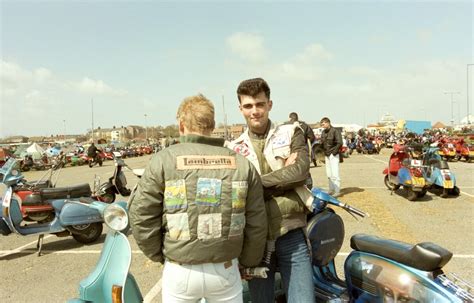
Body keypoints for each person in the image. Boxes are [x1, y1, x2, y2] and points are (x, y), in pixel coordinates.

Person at [129, 94, 267, 303]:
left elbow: (142, 216)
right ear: (212, 125)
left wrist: (161, 254)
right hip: (226, 268)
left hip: (180, 270)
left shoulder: (163, 160)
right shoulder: (241, 164)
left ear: (181, 125)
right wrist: (247, 261)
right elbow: (257, 223)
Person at [227, 78, 315, 303]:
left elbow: (300, 172)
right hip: (254, 241)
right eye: (248, 106)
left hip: (292, 235)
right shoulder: (233, 148)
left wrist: (254, 184)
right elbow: (235, 191)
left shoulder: (291, 132)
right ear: (241, 109)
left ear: (269, 104)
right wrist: (284, 178)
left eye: (260, 104)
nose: (254, 111)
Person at [288, 112, 316, 188]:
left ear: (289, 118)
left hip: (289, 152)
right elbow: (312, 137)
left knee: (290, 170)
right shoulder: (305, 125)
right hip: (302, 150)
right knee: (305, 170)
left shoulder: (286, 125)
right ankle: (309, 186)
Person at [320, 117, 343, 197]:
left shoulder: (335, 131)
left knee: (335, 173)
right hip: (326, 155)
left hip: (334, 155)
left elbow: (339, 142)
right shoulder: (323, 132)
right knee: (329, 174)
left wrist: (333, 153)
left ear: (328, 123)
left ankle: (337, 191)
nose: (322, 126)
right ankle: (331, 189)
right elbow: (322, 143)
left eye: (323, 124)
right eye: (321, 124)